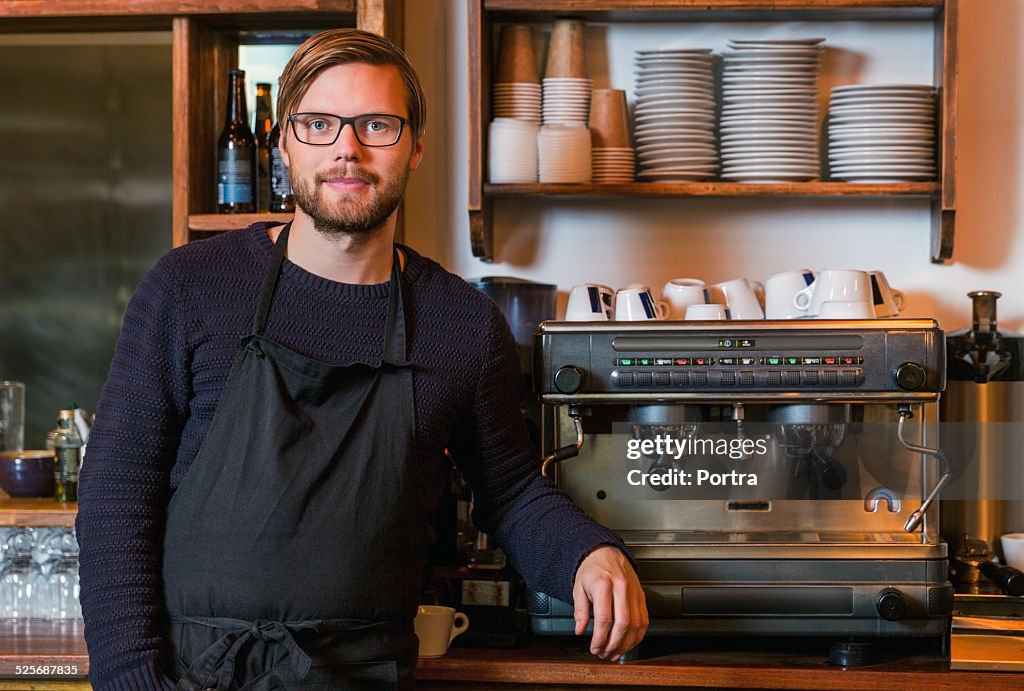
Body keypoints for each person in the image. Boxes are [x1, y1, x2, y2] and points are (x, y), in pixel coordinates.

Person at [76, 28, 647, 690]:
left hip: (363, 675)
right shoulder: (188, 289)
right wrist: (130, 678)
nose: (347, 148)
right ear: (284, 142)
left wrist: (590, 551)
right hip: (191, 675)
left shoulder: (462, 325)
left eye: (376, 124)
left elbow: (511, 490)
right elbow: (117, 491)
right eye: (319, 124)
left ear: (415, 147)